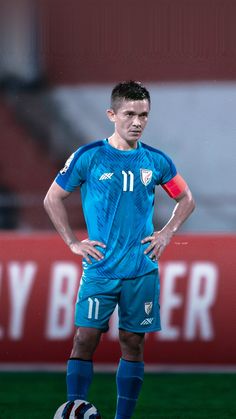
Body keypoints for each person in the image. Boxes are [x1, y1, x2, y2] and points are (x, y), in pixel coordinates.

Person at [44, 80, 195, 418]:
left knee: (133, 342)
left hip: (141, 270)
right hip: (100, 269)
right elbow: (53, 197)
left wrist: (167, 233)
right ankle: (75, 409)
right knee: (85, 338)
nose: (137, 122)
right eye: (129, 114)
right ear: (112, 114)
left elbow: (186, 198)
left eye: (143, 115)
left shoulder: (156, 161)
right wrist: (72, 242)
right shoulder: (90, 157)